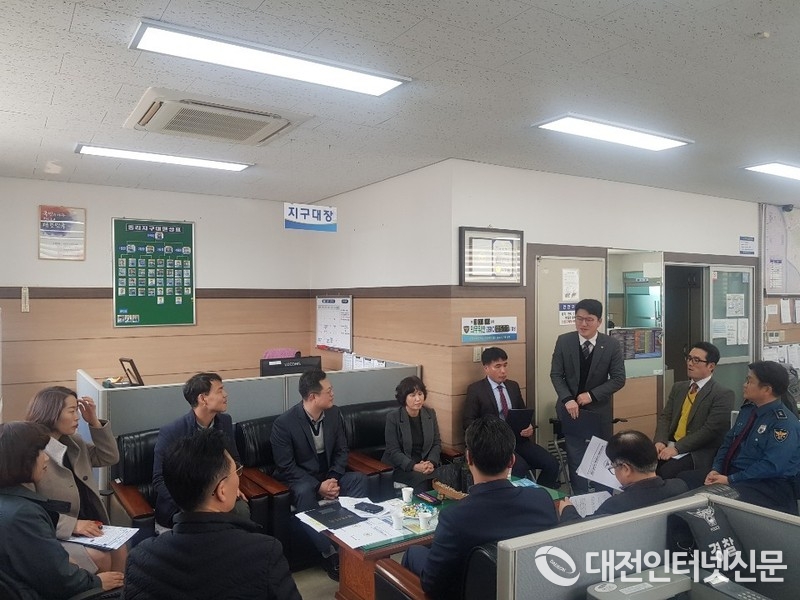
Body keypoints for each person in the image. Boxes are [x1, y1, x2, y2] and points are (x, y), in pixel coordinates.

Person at [124, 429, 301, 599]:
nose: (238, 478)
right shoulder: (265, 553)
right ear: (221, 490)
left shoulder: (139, 560)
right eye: (237, 471)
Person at [402, 416, 558, 600]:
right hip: (528, 592)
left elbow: (432, 584)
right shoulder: (542, 500)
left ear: (469, 459)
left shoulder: (454, 518)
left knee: (412, 553)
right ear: (512, 461)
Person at [0, 421, 123, 597]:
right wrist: (97, 582)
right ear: (23, 460)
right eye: (40, 452)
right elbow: (59, 578)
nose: (46, 458)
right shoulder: (24, 514)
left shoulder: (11, 503)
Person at [270, 369, 368, 581]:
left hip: (329, 476)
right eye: (328, 391)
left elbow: (342, 450)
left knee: (359, 480)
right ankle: (329, 554)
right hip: (302, 480)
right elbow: (286, 466)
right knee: (305, 492)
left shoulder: (334, 414)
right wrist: (318, 486)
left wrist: (332, 479)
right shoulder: (284, 423)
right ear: (313, 397)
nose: (333, 394)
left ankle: (353, 542)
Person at [25, 386, 126, 573]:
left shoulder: (74, 442)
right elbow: (27, 509)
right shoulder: (32, 455)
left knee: (120, 548)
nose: (77, 417)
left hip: (88, 524)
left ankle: (116, 589)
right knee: (100, 557)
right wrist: (73, 525)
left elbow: (109, 457)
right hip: (55, 531)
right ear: (52, 413)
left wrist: (94, 421)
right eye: (71, 411)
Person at [691, 361, 800, 514]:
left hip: (766, 486)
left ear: (767, 389)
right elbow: (728, 442)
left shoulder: (783, 424)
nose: (744, 385)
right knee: (685, 481)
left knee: (700, 501)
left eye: (749, 381)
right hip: (735, 475)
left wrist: (730, 480)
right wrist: (716, 469)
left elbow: (771, 466)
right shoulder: (748, 410)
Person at [152, 372, 247, 530]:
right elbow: (159, 480)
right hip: (183, 505)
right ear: (203, 398)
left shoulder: (224, 421)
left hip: (217, 495)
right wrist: (195, 505)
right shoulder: (172, 431)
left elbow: (234, 460)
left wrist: (232, 485)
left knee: (242, 510)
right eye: (220, 390)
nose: (225, 394)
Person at [550, 298, 626, 493]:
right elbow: (556, 374)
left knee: (602, 456)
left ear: (599, 321)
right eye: (579, 319)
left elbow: (619, 379)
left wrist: (591, 395)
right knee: (575, 457)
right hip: (571, 409)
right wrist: (568, 399)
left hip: (599, 410)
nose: (583, 324)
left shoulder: (611, 344)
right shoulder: (564, 341)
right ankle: (581, 500)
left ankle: (604, 498)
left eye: (589, 319)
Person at [463, 347, 559, 487]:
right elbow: (468, 422)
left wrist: (530, 426)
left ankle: (541, 494)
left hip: (518, 440)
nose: (503, 371)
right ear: (486, 368)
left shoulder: (513, 386)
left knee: (552, 464)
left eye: (505, 365)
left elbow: (524, 413)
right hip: (496, 444)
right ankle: (520, 497)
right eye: (498, 366)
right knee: (520, 468)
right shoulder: (476, 390)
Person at [559, 430, 687, 522]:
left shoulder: (615, 506)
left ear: (626, 469)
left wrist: (567, 511)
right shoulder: (679, 486)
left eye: (613, 467)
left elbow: (582, 530)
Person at [653, 342, 734, 479]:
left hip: (697, 451)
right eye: (689, 358)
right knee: (640, 462)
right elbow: (665, 417)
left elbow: (709, 431)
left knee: (666, 471)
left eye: (696, 360)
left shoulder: (722, 394)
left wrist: (677, 448)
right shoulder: (678, 388)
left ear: (711, 366)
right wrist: (660, 441)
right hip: (671, 443)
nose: (690, 363)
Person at [382, 376, 443, 491]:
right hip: (402, 467)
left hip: (425, 465)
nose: (418, 399)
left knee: (444, 478)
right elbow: (393, 451)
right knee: (424, 481)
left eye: (420, 394)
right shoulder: (393, 418)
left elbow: (436, 443)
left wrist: (431, 463)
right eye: (412, 395)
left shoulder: (430, 414)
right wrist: (414, 466)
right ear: (404, 398)